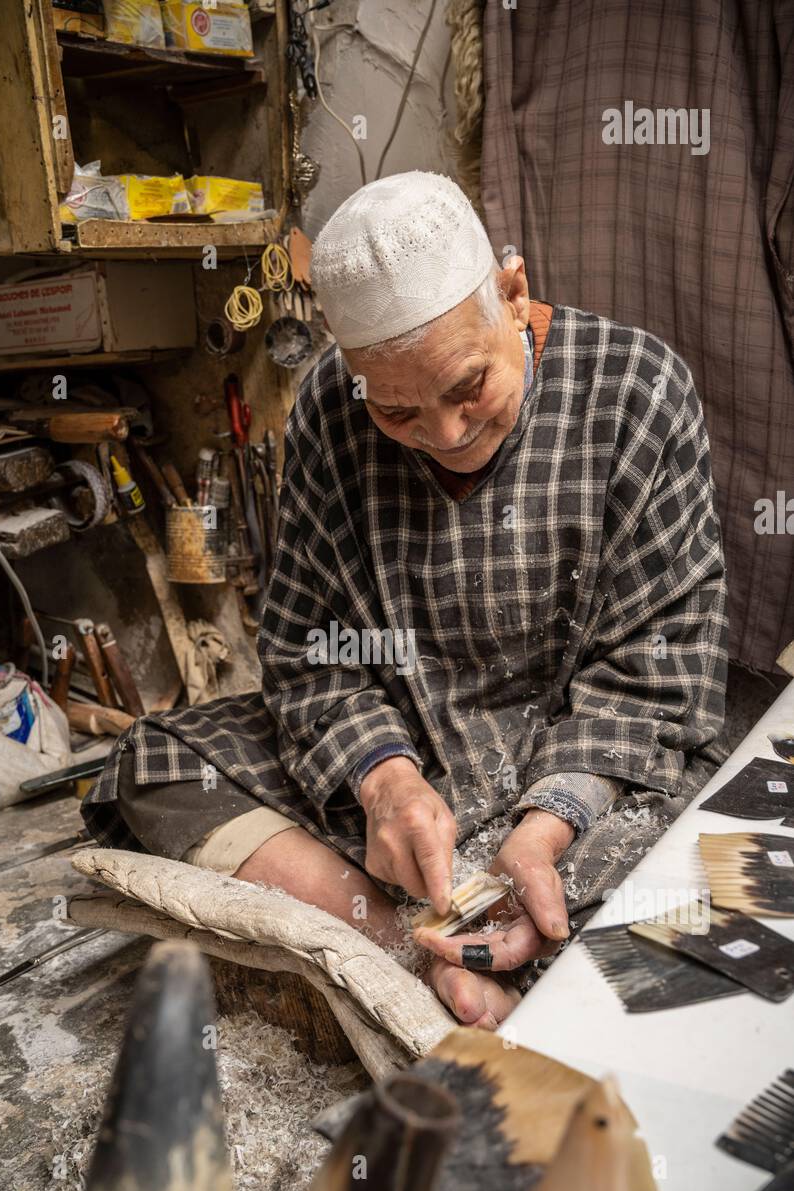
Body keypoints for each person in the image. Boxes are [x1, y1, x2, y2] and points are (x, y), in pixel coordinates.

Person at [83, 172, 727, 1029]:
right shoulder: (325, 408)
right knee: (158, 761)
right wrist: (383, 780)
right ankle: (414, 942)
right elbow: (307, 649)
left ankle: (474, 930)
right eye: (397, 412)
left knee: (690, 851)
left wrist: (543, 827)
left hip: (578, 748)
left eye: (469, 388)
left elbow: (660, 669)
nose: (447, 436)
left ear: (512, 290)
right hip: (406, 741)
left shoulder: (640, 391)